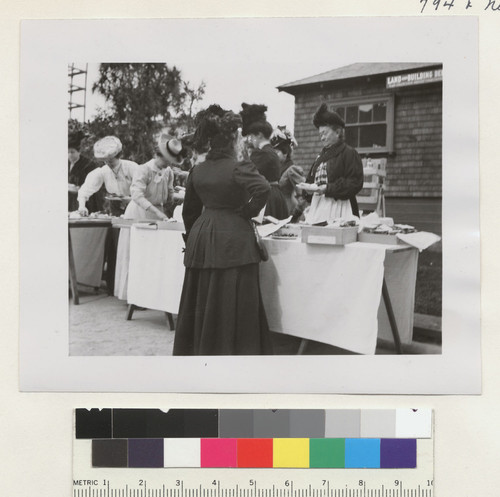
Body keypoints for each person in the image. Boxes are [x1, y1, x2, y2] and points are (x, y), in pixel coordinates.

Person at [173, 106, 272, 356]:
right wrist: (246, 212)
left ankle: (201, 351)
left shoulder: (198, 170)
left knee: (203, 299)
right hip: (234, 237)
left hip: (202, 236)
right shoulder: (239, 166)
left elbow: (189, 212)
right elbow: (263, 189)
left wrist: (195, 238)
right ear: (232, 139)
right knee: (232, 299)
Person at [114, 132, 182, 300]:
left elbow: (169, 194)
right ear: (156, 155)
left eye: (170, 161)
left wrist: (176, 197)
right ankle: (132, 295)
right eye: (165, 159)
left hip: (158, 215)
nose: (167, 163)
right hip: (139, 212)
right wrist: (158, 211)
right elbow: (137, 195)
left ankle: (149, 295)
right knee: (135, 253)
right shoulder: (143, 169)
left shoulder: (168, 172)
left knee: (153, 255)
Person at [302, 103, 364, 224]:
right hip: (318, 209)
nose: (322, 138)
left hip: (341, 208)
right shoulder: (320, 157)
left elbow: (355, 183)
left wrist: (327, 188)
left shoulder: (349, 153)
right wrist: (307, 190)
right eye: (320, 134)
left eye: (325, 133)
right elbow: (311, 181)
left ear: (337, 132)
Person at [240, 103, 289, 220]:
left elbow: (247, 174)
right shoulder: (271, 151)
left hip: (268, 197)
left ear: (259, 135)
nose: (251, 140)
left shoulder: (261, 153)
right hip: (276, 195)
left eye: (252, 136)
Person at [77, 136, 138, 217]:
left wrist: (132, 200)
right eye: (105, 161)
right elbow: (85, 190)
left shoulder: (131, 167)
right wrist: (82, 206)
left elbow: (145, 189)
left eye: (111, 160)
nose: (108, 163)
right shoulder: (103, 171)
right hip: (116, 210)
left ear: (118, 156)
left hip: (135, 206)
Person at [270, 126, 306, 216]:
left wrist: (296, 213)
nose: (274, 156)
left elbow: (304, 194)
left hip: (287, 211)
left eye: (277, 152)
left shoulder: (292, 170)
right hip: (275, 211)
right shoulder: (276, 170)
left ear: (285, 152)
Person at [68, 131, 101, 213]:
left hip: (85, 202)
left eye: (72, 152)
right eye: (67, 152)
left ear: (79, 151)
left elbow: (87, 187)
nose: (69, 155)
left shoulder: (88, 165)